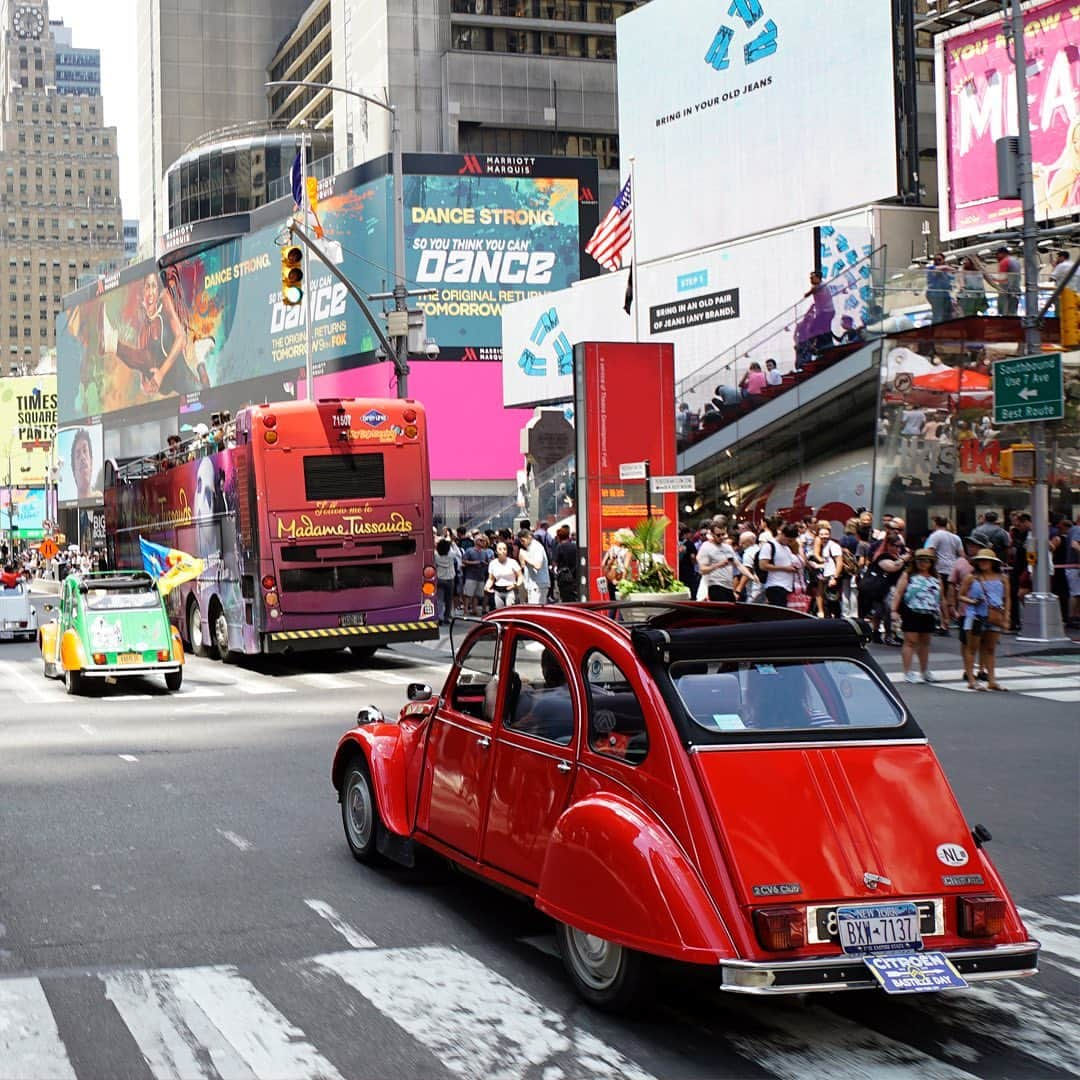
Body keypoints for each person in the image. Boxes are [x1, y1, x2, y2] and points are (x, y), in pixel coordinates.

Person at [102, 271, 205, 397]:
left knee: (205, 393)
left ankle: (201, 360)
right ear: (143, 291)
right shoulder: (143, 326)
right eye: (147, 287)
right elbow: (142, 360)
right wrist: (144, 382)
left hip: (178, 371)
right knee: (146, 356)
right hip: (162, 381)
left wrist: (161, 373)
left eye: (154, 286)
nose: (150, 292)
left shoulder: (165, 302)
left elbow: (181, 339)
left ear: (158, 290)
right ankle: (113, 344)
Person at [959, 549, 1010, 691]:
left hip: (994, 615)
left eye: (986, 560)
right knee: (972, 648)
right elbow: (961, 595)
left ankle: (992, 680)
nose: (983, 563)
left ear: (993, 563)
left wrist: (1006, 616)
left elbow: (1007, 598)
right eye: (980, 560)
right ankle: (971, 679)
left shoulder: (1002, 578)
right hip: (975, 615)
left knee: (990, 648)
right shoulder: (971, 577)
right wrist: (971, 601)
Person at [892, 549, 943, 683]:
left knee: (925, 643)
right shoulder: (908, 575)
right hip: (911, 611)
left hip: (929, 612)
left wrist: (945, 614)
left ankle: (924, 670)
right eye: (920, 560)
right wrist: (894, 610)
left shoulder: (936, 577)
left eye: (926, 560)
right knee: (910, 641)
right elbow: (898, 593)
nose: (923, 563)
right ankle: (908, 671)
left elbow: (941, 597)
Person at [924, 515, 963, 633]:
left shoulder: (935, 536)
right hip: (952, 569)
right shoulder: (956, 537)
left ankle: (944, 623)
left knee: (941, 597)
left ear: (935, 523)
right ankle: (957, 618)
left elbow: (930, 552)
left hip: (939, 569)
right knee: (951, 598)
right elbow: (961, 554)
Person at [759, 523, 801, 608]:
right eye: (789, 540)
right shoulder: (769, 546)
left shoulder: (787, 548)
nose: (790, 543)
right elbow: (763, 565)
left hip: (787, 587)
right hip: (775, 586)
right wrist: (785, 568)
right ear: (782, 534)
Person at [696, 525, 737, 602]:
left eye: (723, 534)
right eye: (718, 535)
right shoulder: (706, 548)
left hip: (726, 586)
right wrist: (718, 565)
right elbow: (702, 570)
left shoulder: (726, 548)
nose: (721, 537)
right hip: (714, 585)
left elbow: (737, 568)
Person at [812, 523, 844, 618]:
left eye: (826, 534)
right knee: (828, 600)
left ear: (830, 535)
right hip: (826, 575)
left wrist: (834, 577)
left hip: (832, 576)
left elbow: (839, 562)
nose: (824, 537)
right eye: (821, 535)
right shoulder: (825, 547)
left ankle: (837, 620)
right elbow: (827, 562)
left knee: (833, 600)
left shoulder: (833, 546)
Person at [460, 534, 492, 617]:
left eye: (483, 540)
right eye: (480, 540)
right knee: (468, 594)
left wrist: (486, 563)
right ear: (475, 541)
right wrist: (475, 563)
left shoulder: (484, 552)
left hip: (480, 576)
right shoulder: (469, 551)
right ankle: (466, 610)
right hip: (470, 576)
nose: (482, 542)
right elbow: (463, 561)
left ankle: (474, 609)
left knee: (477, 595)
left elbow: (487, 561)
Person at [517, 528, 550, 605]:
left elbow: (537, 565)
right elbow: (523, 565)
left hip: (538, 585)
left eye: (523, 541)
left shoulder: (536, 547)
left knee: (536, 610)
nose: (522, 543)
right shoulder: (529, 548)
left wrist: (525, 556)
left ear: (529, 537)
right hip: (533, 585)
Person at [485, 541, 523, 608]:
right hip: (498, 591)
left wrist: (516, 585)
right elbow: (491, 579)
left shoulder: (512, 562)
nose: (502, 551)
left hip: (510, 590)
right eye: (500, 549)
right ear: (496, 551)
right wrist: (487, 586)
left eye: (504, 549)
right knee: (499, 612)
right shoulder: (493, 563)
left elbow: (520, 576)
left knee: (509, 610)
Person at [69, 428, 102, 501]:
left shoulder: (100, 497)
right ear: (74, 471)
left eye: (85, 451)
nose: (82, 457)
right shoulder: (70, 505)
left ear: (92, 462)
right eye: (78, 455)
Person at [989, 247, 1021, 316]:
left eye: (997, 254)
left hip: (1007, 291)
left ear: (1002, 253)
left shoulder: (1004, 262)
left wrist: (990, 277)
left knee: (1004, 314)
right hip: (1016, 290)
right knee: (1013, 313)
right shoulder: (1016, 260)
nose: (996, 257)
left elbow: (1002, 279)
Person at [925, 253, 954, 324]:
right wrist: (947, 266)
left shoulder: (946, 273)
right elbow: (944, 268)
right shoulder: (931, 268)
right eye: (935, 260)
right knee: (938, 315)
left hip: (945, 295)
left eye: (939, 260)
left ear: (943, 260)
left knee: (948, 315)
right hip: (935, 294)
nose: (937, 261)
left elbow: (952, 277)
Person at [552, 526, 578, 602]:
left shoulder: (559, 547)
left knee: (565, 598)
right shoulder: (574, 546)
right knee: (573, 597)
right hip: (574, 575)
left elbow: (555, 562)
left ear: (559, 537)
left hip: (563, 577)